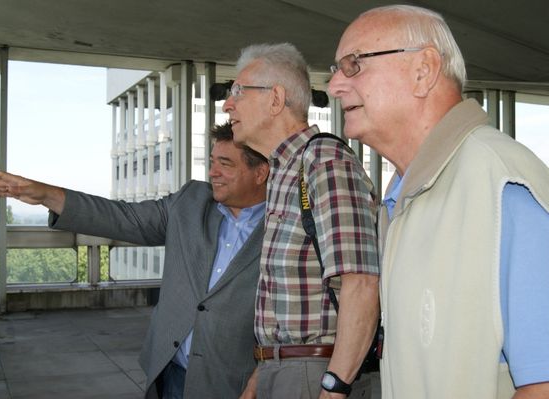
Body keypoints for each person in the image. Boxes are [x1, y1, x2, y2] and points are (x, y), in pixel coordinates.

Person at [328, 5, 549, 399]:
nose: (334, 85)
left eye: (353, 65)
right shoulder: (405, 201)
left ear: (423, 70)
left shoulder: (501, 185)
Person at [0, 123, 270, 399]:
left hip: (236, 384)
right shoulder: (191, 202)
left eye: (226, 164)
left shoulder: (286, 228)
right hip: (171, 372)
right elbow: (122, 217)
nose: (213, 172)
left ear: (261, 173)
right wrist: (48, 195)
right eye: (212, 161)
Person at [222, 43, 380, 399]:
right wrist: (262, 372)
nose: (227, 104)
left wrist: (334, 387)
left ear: (275, 99)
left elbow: (362, 284)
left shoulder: (323, 160)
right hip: (285, 370)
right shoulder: (284, 169)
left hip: (318, 374)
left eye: (237, 92)